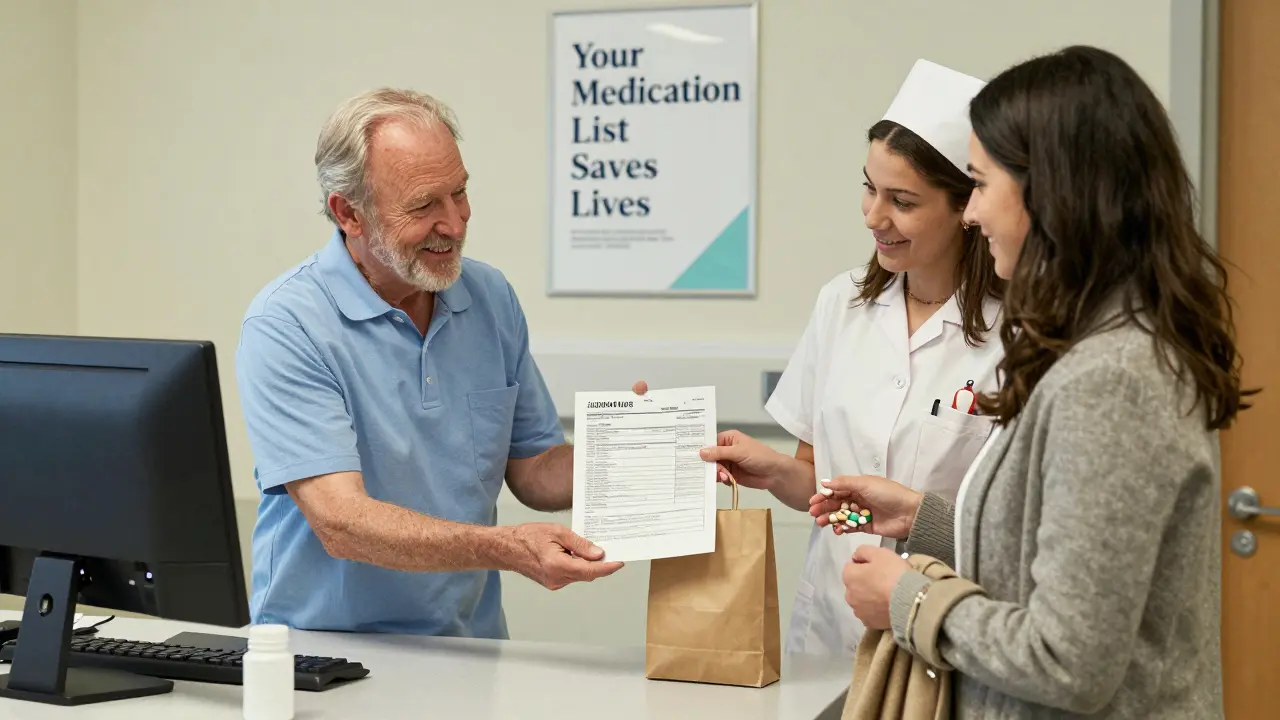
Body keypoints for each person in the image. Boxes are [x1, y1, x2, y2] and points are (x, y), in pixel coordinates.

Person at [823, 45, 1248, 717]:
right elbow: (1052, 550)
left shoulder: (1113, 380)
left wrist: (909, 601)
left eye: (981, 183)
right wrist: (923, 518)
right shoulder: (1098, 350)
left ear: (1051, 195)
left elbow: (1068, 656)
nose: (970, 213)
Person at [235, 88, 624, 638]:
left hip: (470, 645)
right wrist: (506, 548)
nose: (456, 224)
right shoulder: (288, 324)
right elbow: (341, 522)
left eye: (459, 193)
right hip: (325, 654)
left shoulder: (489, 297)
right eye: (423, 206)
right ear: (349, 213)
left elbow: (534, 469)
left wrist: (635, 453)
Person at [689, 59, 1006, 657]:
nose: (873, 216)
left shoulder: (1015, 335)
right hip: (832, 629)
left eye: (902, 201)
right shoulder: (841, 305)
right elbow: (823, 484)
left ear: (966, 207)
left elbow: (1010, 524)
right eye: (869, 187)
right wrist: (776, 471)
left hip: (947, 628)